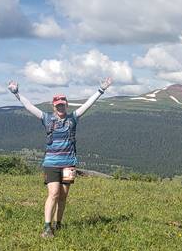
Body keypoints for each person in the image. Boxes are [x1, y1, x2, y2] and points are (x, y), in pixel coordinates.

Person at [7, 77, 113, 238]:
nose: (61, 107)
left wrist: (101, 90)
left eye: (63, 104)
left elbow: (88, 105)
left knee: (63, 195)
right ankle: (47, 227)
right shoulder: (47, 118)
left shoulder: (73, 118)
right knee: (54, 193)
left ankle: (59, 224)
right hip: (51, 164)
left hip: (69, 165)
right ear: (54, 106)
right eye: (58, 105)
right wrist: (16, 93)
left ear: (66, 105)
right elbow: (29, 107)